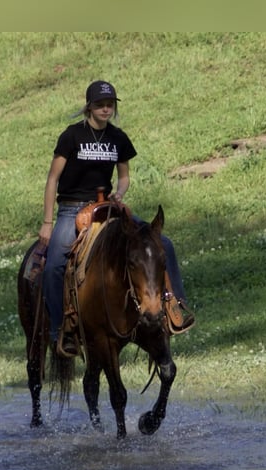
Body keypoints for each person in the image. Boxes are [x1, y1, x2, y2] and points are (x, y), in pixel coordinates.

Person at [39, 80, 194, 357]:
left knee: (163, 244)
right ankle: (59, 329)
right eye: (100, 104)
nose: (106, 109)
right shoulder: (71, 136)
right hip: (71, 208)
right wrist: (47, 222)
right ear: (89, 107)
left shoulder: (118, 138)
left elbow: (123, 178)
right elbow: (53, 179)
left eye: (110, 104)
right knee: (53, 266)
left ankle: (174, 306)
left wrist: (120, 194)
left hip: (107, 206)